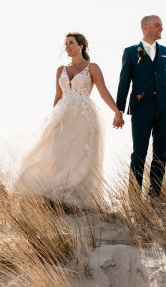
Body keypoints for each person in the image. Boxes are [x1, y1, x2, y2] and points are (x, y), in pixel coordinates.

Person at [9, 32, 124, 207]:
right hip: (62, 116)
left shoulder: (92, 67)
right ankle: (53, 192)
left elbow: (103, 91)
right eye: (66, 43)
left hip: (84, 118)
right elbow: (57, 96)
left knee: (80, 157)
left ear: (81, 46)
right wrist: (53, 117)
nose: (68, 46)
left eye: (71, 43)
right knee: (54, 152)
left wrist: (117, 111)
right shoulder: (60, 70)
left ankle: (77, 199)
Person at [115, 15, 166, 204]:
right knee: (139, 153)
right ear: (146, 27)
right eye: (158, 25)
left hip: (165, 108)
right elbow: (124, 82)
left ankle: (153, 198)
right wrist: (118, 110)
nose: (161, 28)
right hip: (141, 108)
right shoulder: (130, 52)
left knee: (160, 153)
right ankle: (134, 200)